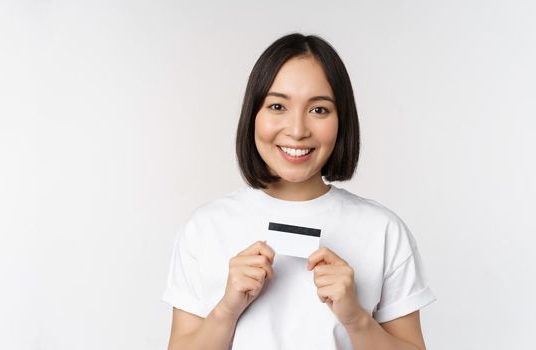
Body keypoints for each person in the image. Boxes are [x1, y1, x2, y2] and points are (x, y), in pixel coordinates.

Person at [161, 33, 436, 350]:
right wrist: (226, 310)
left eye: (318, 110)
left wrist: (357, 320)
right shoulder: (205, 227)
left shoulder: (383, 230)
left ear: (341, 120)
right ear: (253, 115)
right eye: (277, 106)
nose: (297, 130)